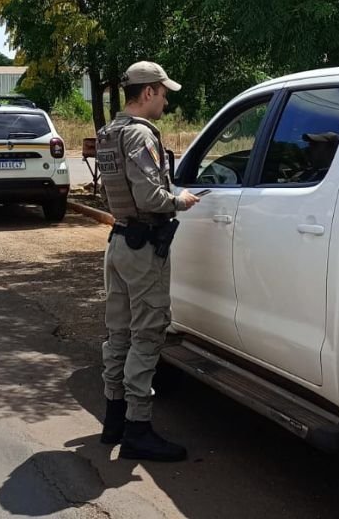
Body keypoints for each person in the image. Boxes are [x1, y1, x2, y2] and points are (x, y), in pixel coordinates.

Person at [95, 61, 200, 462]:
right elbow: (151, 197)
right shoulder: (140, 134)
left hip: (119, 240)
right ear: (148, 92)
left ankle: (114, 421)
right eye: (163, 91)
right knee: (148, 334)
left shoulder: (111, 132)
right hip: (143, 248)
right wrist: (181, 200)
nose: (167, 98)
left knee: (118, 333)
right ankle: (138, 429)